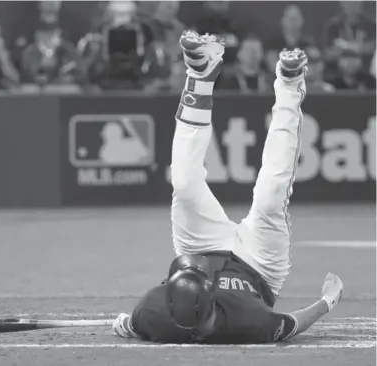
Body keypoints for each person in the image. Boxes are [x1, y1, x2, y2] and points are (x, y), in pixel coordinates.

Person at [112, 31, 344, 344]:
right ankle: (289, 86)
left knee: (183, 183)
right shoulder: (249, 321)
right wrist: (327, 301)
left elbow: (126, 324)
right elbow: (293, 323)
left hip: (199, 250)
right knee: (270, 198)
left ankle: (200, 75)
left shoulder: (150, 314)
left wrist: (124, 324)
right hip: (259, 265)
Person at [265, 5, 314, 73]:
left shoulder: (308, 44)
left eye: (296, 19)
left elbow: (312, 69)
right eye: (290, 19)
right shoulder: (273, 43)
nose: (293, 23)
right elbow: (273, 67)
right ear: (282, 21)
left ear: (302, 21)